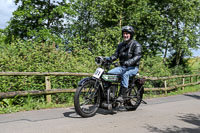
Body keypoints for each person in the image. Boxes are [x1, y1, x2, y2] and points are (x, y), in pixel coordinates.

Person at [106, 26, 142, 102]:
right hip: (122, 67)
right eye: (124, 34)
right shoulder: (120, 45)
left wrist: (129, 62)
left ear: (131, 35)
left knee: (125, 74)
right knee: (107, 74)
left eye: (127, 34)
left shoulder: (136, 45)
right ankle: (109, 94)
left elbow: (137, 56)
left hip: (133, 67)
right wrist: (108, 59)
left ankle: (122, 95)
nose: (125, 35)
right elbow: (115, 55)